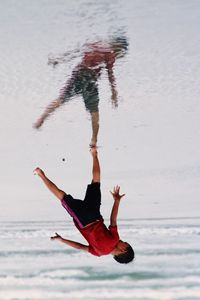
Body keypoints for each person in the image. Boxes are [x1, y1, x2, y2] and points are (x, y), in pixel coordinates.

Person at [34, 147, 134, 263]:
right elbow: (79, 247)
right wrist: (62, 240)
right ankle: (40, 174)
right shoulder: (98, 253)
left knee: (96, 182)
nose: (122, 241)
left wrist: (116, 201)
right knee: (62, 196)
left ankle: (94, 154)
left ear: (123, 250)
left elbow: (113, 219)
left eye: (124, 243)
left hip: (95, 214)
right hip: (83, 220)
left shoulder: (115, 239)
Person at [33, 36, 128, 147]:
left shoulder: (96, 43)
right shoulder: (110, 54)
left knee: (61, 99)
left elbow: (76, 52)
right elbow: (110, 75)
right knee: (94, 112)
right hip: (90, 80)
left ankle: (40, 120)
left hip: (78, 74)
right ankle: (94, 141)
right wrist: (114, 93)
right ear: (119, 47)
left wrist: (59, 60)